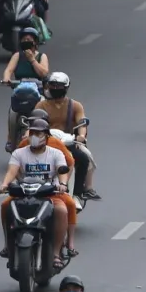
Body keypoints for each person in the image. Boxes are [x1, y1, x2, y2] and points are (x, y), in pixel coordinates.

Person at [0, 118, 76, 268]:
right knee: (5, 206)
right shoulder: (19, 153)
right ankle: (8, 245)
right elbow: (12, 171)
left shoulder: (56, 153)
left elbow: (62, 171)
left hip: (50, 193)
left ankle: (56, 253)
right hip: (24, 192)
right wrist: (5, 184)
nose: (34, 136)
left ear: (46, 136)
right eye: (32, 132)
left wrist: (63, 184)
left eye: (38, 133)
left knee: (61, 210)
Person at [36, 71, 99, 200]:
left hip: (68, 142)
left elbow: (82, 122)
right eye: (53, 85)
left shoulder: (75, 105)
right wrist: (28, 136)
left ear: (66, 87)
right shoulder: (41, 105)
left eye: (59, 86)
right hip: (46, 142)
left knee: (84, 158)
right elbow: (33, 122)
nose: (55, 89)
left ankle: (79, 192)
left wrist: (81, 136)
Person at [1, 26, 51, 149]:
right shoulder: (17, 55)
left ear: (35, 42)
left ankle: (47, 135)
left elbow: (44, 73)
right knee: (13, 113)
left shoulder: (41, 56)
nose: (26, 41)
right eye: (24, 39)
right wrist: (7, 79)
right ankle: (11, 140)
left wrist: (32, 60)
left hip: (38, 92)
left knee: (44, 111)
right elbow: (9, 70)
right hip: (20, 90)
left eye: (29, 39)